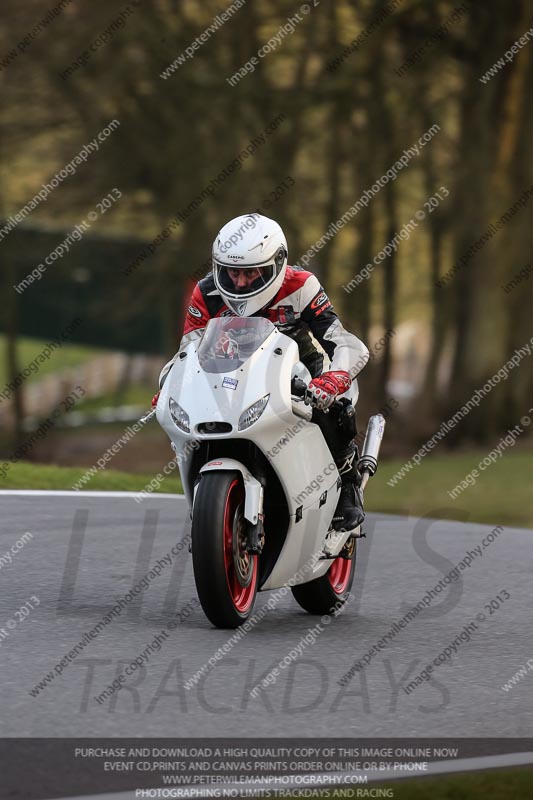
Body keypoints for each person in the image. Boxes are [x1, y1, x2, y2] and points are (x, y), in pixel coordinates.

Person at [154, 213, 369, 531]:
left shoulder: (301, 285)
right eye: (231, 273)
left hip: (299, 368)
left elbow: (344, 341)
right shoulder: (206, 293)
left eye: (251, 273)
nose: (239, 282)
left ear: (277, 263)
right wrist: (170, 384)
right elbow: (188, 351)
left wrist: (334, 377)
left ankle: (347, 483)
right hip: (230, 372)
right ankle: (211, 501)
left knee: (336, 407)